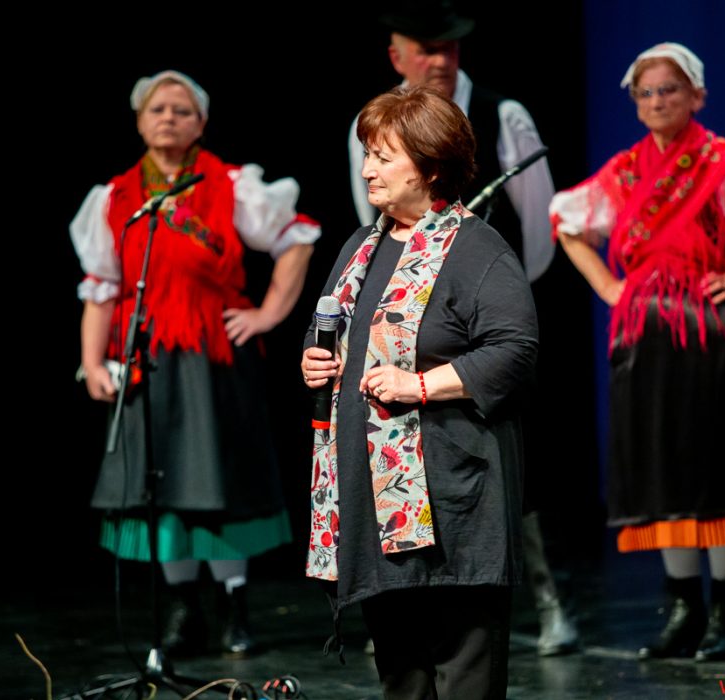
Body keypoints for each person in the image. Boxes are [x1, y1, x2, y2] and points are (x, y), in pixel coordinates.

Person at [550, 42, 725, 662]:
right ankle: (683, 608)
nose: (657, 101)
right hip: (645, 338)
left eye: (669, 89)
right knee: (663, 467)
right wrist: (611, 288)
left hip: (711, 337)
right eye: (646, 92)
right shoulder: (625, 171)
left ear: (696, 95)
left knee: (717, 470)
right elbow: (567, 225)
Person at [348, 0, 578, 656]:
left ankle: (549, 601)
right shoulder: (376, 125)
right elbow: (374, 224)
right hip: (402, 325)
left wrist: (483, 290)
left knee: (514, 469)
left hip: (483, 318)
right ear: (397, 56)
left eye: (448, 47)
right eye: (425, 49)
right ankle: (401, 599)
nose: (439, 60)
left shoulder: (504, 115)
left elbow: (538, 229)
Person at [70, 69, 319, 658]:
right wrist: (92, 361)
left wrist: (267, 314)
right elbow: (101, 287)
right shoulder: (116, 197)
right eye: (158, 109)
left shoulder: (230, 184)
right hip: (149, 357)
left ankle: (234, 604)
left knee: (219, 480)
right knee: (162, 485)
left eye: (182, 110)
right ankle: (183, 608)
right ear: (139, 121)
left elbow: (297, 238)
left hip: (215, 358)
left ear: (201, 123)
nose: (169, 118)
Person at [304, 85, 538, 699]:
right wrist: (316, 359)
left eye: (383, 157)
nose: (367, 169)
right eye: (368, 155)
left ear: (431, 167)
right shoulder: (361, 247)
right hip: (376, 506)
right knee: (402, 679)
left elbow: (514, 351)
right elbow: (333, 325)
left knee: (464, 675)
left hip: (455, 498)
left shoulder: (476, 248)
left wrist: (422, 384)